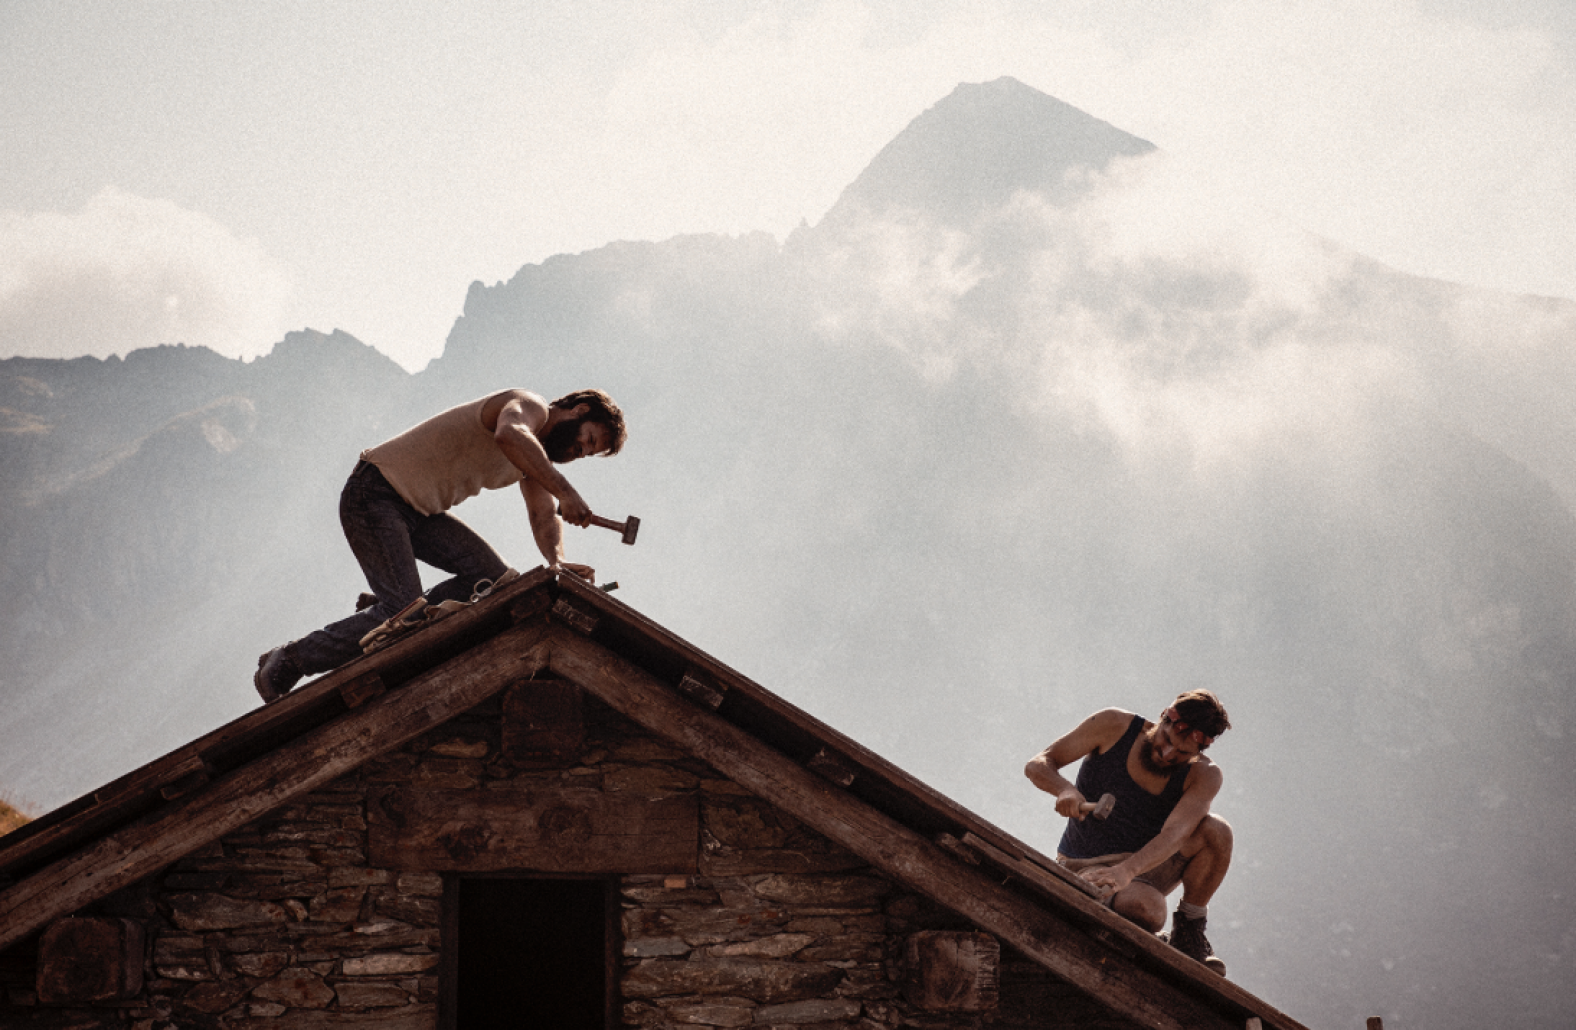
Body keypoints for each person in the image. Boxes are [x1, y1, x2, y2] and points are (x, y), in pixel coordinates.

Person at [253, 387, 628, 704]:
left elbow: (544, 516)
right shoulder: (528, 406)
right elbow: (509, 433)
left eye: (589, 453)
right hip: (375, 492)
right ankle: (293, 658)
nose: (582, 452)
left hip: (418, 513)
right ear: (579, 410)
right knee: (403, 610)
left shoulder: (535, 460)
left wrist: (557, 565)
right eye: (589, 440)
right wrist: (565, 489)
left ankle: (392, 608)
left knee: (493, 580)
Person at [1024, 690, 1233, 975]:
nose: (1168, 753)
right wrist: (1064, 789)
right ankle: (1100, 895)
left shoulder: (1205, 775)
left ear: (1199, 752)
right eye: (1167, 740)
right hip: (1085, 864)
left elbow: (1176, 834)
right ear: (1163, 717)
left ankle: (1189, 932)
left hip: (1142, 867)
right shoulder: (1114, 725)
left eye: (1183, 753)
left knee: (1217, 831)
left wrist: (1127, 870)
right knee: (1149, 910)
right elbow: (1039, 763)